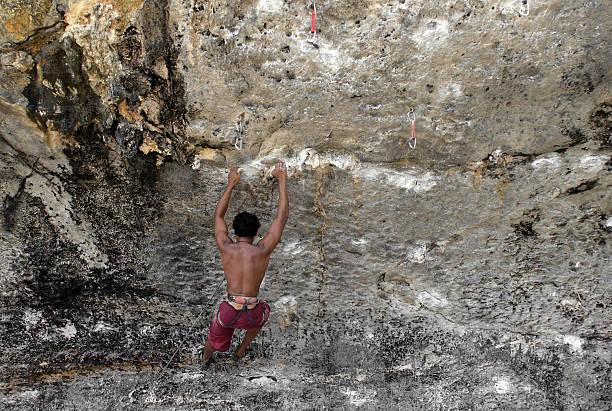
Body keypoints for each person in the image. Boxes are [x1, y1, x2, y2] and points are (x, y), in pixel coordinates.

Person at [202, 162, 289, 362]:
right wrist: (282, 179)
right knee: (264, 312)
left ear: (233, 231)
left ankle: (206, 358)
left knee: (213, 340)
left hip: (229, 311)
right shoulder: (262, 249)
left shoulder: (226, 245)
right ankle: (241, 350)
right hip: (252, 312)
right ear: (257, 233)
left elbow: (218, 215)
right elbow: (282, 217)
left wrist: (231, 184)